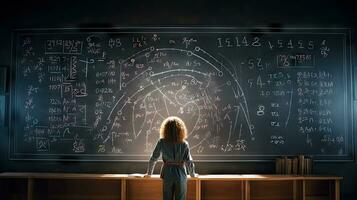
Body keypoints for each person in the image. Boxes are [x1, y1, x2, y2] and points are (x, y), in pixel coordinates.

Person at [144, 116, 197, 200]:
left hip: (167, 173)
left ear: (165, 129)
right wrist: (192, 174)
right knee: (181, 198)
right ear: (181, 130)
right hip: (181, 174)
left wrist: (149, 173)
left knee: (167, 198)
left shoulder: (161, 142)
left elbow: (153, 158)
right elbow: (189, 161)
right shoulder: (184, 144)